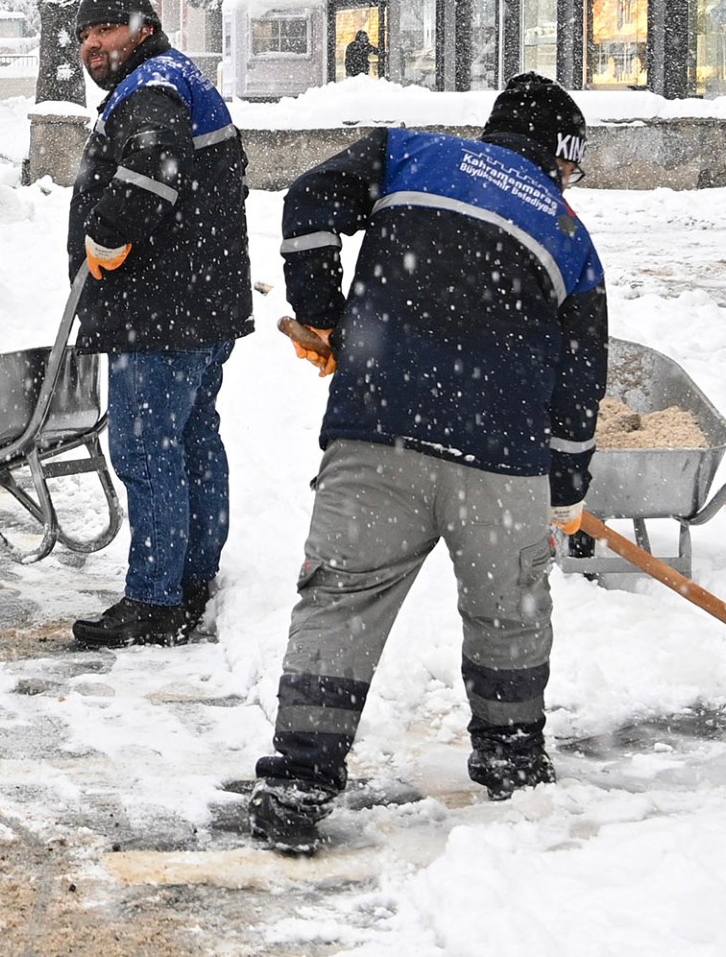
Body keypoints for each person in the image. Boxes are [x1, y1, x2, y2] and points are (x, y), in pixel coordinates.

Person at [249, 72, 607, 854]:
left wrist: (322, 313)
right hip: (501, 462)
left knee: (339, 604)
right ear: (560, 157)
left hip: (378, 431)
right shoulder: (571, 236)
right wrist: (567, 488)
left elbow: (308, 199)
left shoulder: (406, 152)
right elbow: (581, 385)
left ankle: (298, 780)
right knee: (507, 612)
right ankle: (511, 761)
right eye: (572, 168)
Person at [66, 0, 254, 649]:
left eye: (107, 30)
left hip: (162, 313)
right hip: (198, 305)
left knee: (148, 449)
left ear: (143, 29)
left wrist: (108, 234)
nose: (93, 44)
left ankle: (155, 598)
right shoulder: (174, 79)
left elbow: (150, 166)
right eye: (84, 35)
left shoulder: (151, 89)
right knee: (194, 440)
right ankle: (193, 575)